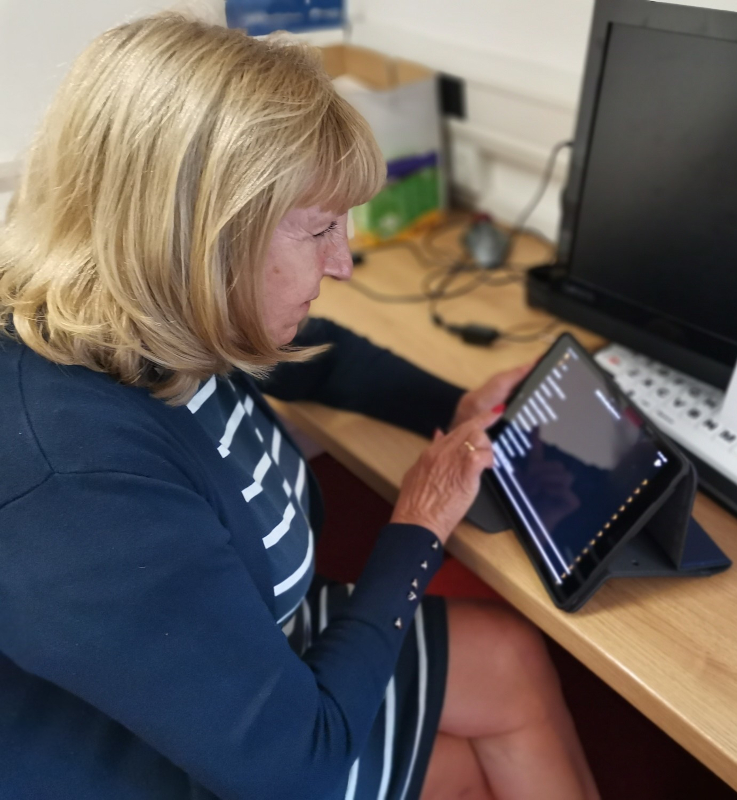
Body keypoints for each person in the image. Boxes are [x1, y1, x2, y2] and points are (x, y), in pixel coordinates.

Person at [0, 14, 600, 800]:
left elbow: (299, 351)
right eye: (318, 229)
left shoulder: (143, 316)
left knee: (511, 657)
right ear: (196, 244)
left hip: (243, 640)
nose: (343, 262)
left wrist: (451, 400)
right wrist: (417, 526)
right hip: (163, 757)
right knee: (462, 776)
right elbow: (296, 772)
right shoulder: (76, 484)